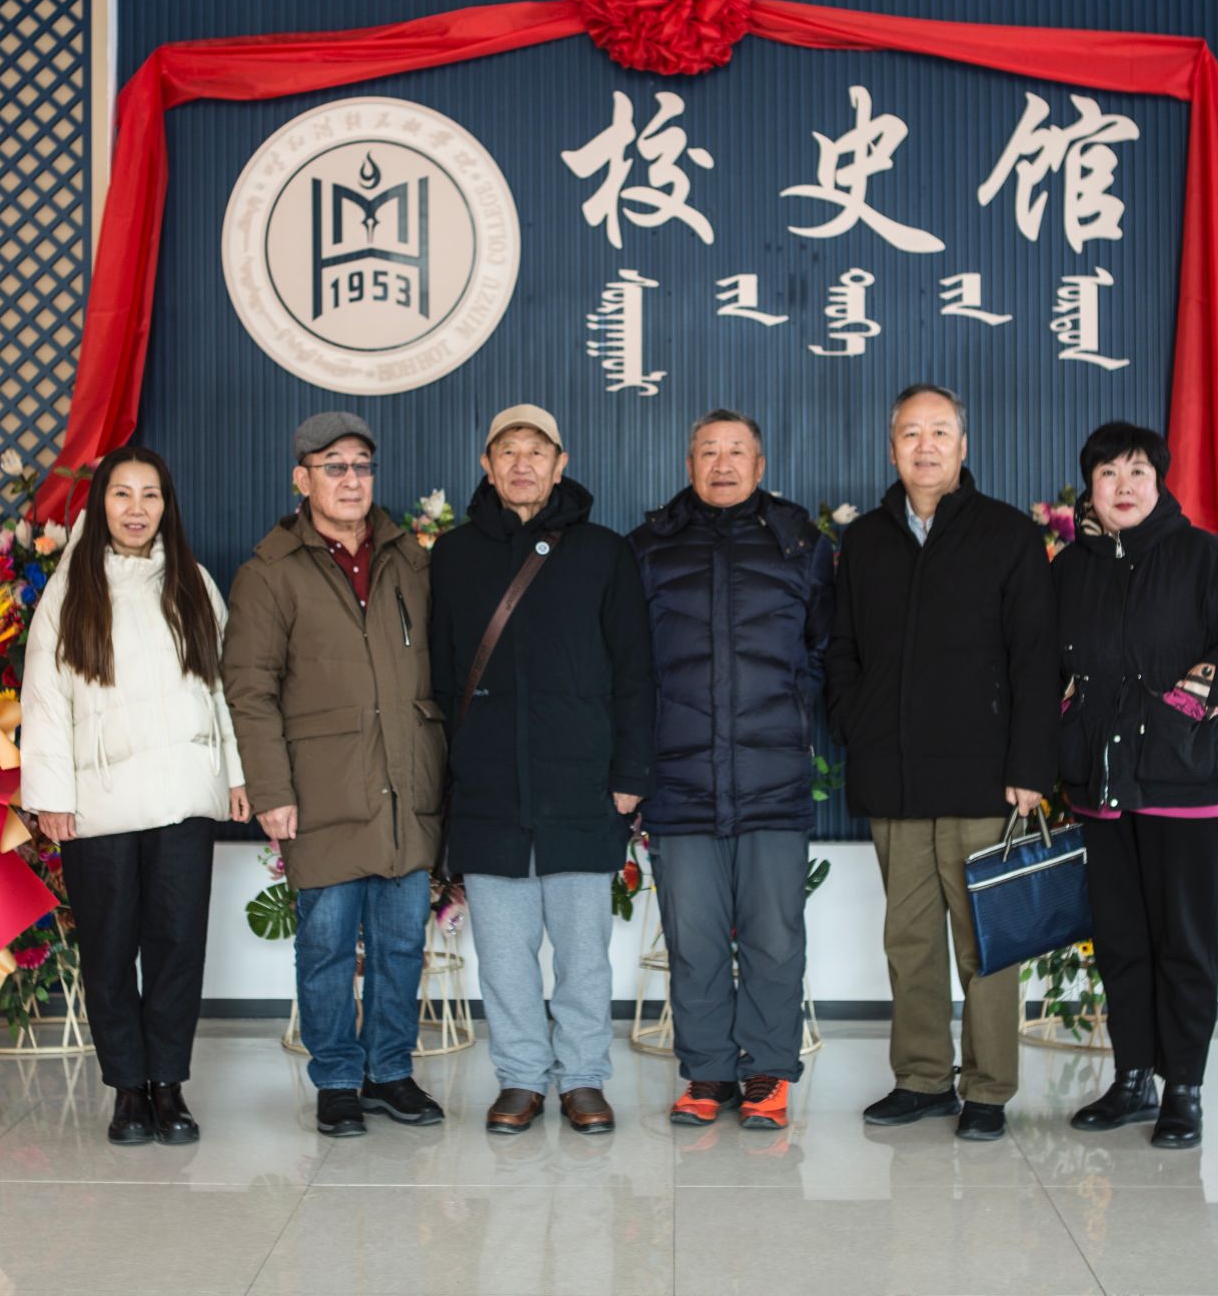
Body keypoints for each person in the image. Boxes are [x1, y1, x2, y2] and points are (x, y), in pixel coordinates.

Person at [825, 384, 1057, 1142]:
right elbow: (843, 650)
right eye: (910, 433)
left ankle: (988, 1088)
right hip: (894, 775)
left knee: (986, 942)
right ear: (891, 446)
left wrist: (1031, 766)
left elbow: (1035, 659)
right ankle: (922, 1078)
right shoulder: (866, 541)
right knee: (909, 938)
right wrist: (855, 722)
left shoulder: (1006, 534)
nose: (924, 446)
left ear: (963, 444)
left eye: (939, 432)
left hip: (984, 777)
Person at [430, 404, 655, 1136]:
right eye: (507, 451)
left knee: (584, 953)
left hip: (581, 785)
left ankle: (584, 1077)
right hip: (489, 788)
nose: (521, 463)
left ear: (561, 464)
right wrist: (449, 776)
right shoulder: (453, 555)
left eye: (536, 451)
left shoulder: (604, 552)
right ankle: (522, 1077)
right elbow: (439, 678)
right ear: (486, 465)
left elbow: (635, 670)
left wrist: (631, 772)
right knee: (503, 953)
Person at [222, 412, 447, 1139]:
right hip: (321, 790)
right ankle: (339, 1079)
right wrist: (271, 790)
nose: (352, 480)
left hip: (406, 783)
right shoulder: (269, 572)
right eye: (334, 466)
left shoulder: (410, 560)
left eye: (362, 466)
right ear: (303, 478)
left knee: (401, 944)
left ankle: (390, 1071)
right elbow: (249, 690)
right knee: (325, 947)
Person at [1052, 421, 1218, 1150]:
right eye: (1108, 474)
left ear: (1159, 481)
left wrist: (1191, 698)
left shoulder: (1202, 557)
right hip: (1104, 786)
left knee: (1184, 941)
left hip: (1189, 782)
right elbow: (1042, 657)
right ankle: (1132, 1080)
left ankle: (1184, 1087)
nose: (1123, 486)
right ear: (1090, 486)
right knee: (1121, 941)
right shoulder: (1070, 568)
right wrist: (1063, 710)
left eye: (1137, 472)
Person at [21, 445, 249, 1146]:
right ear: (100, 505)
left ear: (166, 506)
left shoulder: (193, 583)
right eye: (122, 493)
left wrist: (236, 775)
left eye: (150, 495)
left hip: (183, 796)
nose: (136, 508)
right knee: (110, 946)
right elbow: (45, 700)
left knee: (178, 944)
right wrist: (51, 795)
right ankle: (127, 1090)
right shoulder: (71, 590)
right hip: (99, 801)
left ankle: (169, 1087)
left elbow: (223, 689)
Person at [629, 410, 835, 1131]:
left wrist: (790, 709)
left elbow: (824, 647)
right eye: (708, 452)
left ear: (761, 463)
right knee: (694, 937)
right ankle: (708, 1071)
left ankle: (768, 1071)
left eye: (737, 451)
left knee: (775, 935)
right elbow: (630, 661)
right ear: (689, 464)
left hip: (772, 777)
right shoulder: (649, 547)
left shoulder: (801, 543)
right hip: (679, 781)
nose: (723, 464)